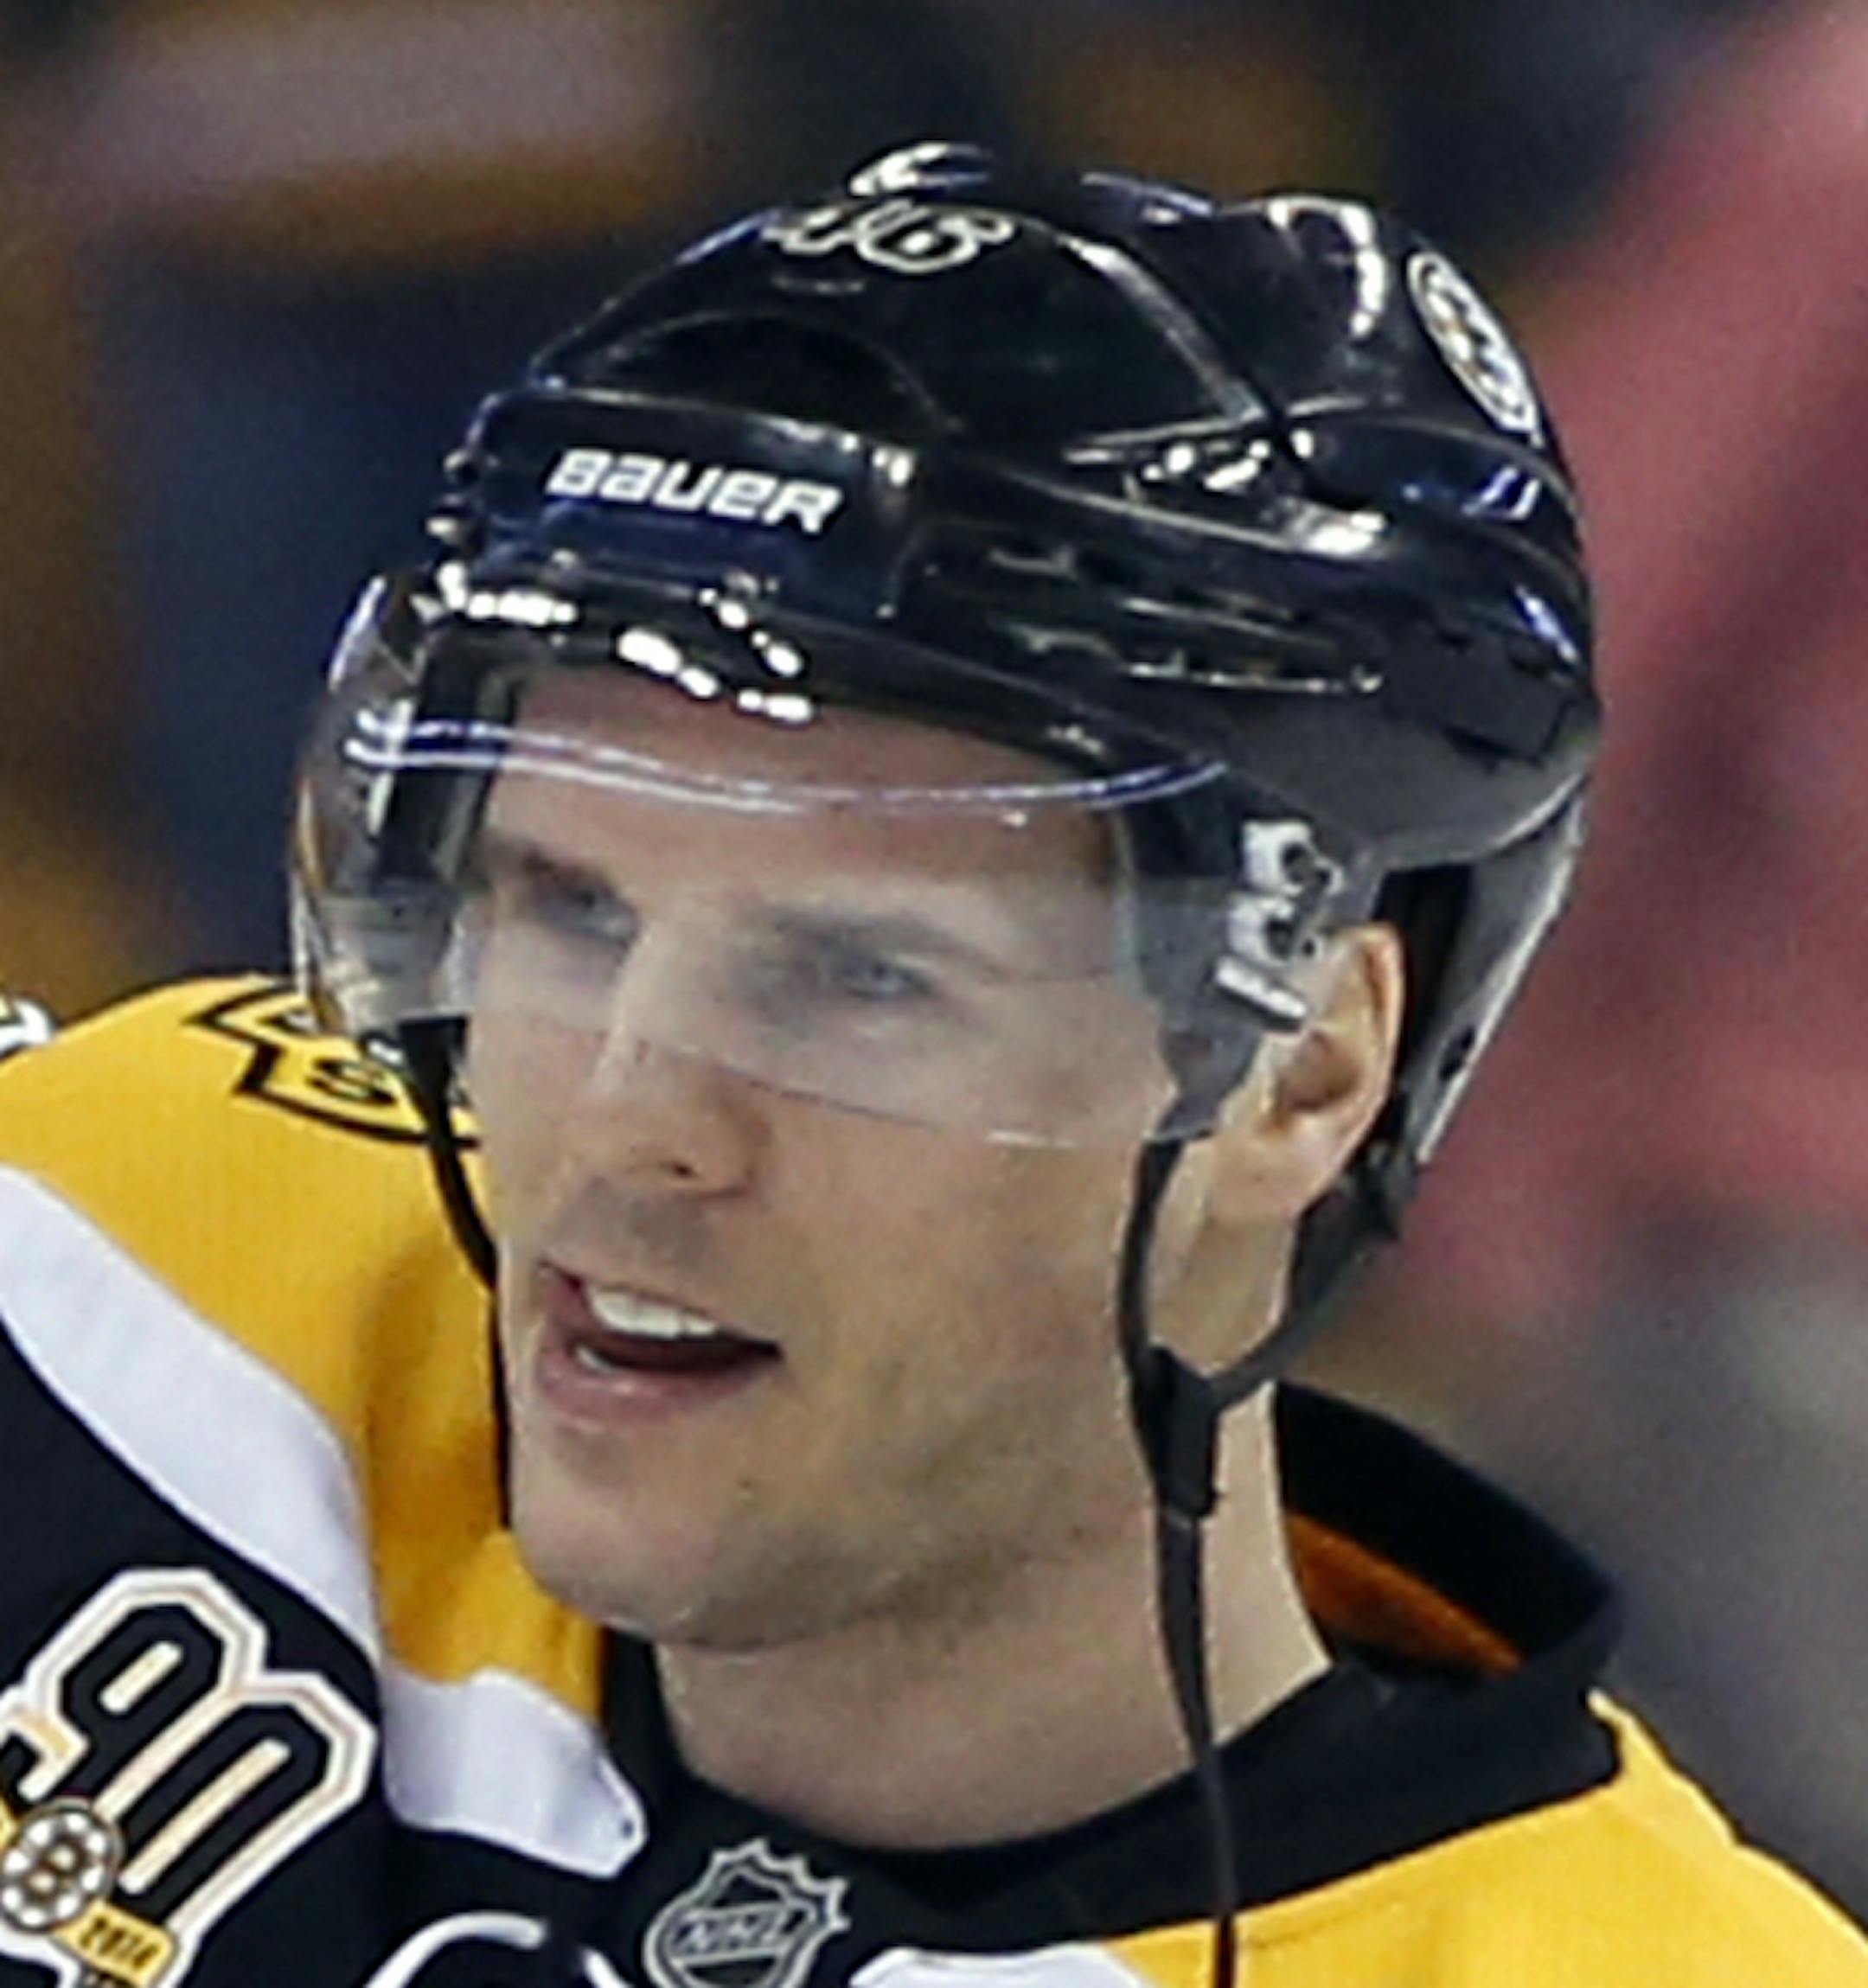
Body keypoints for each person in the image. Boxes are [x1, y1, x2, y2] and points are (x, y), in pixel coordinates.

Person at [0, 144, 1861, 1987]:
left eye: (854, 978)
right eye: (568, 909)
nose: (633, 1128)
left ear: (1299, 1070)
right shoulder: (129, 1250)